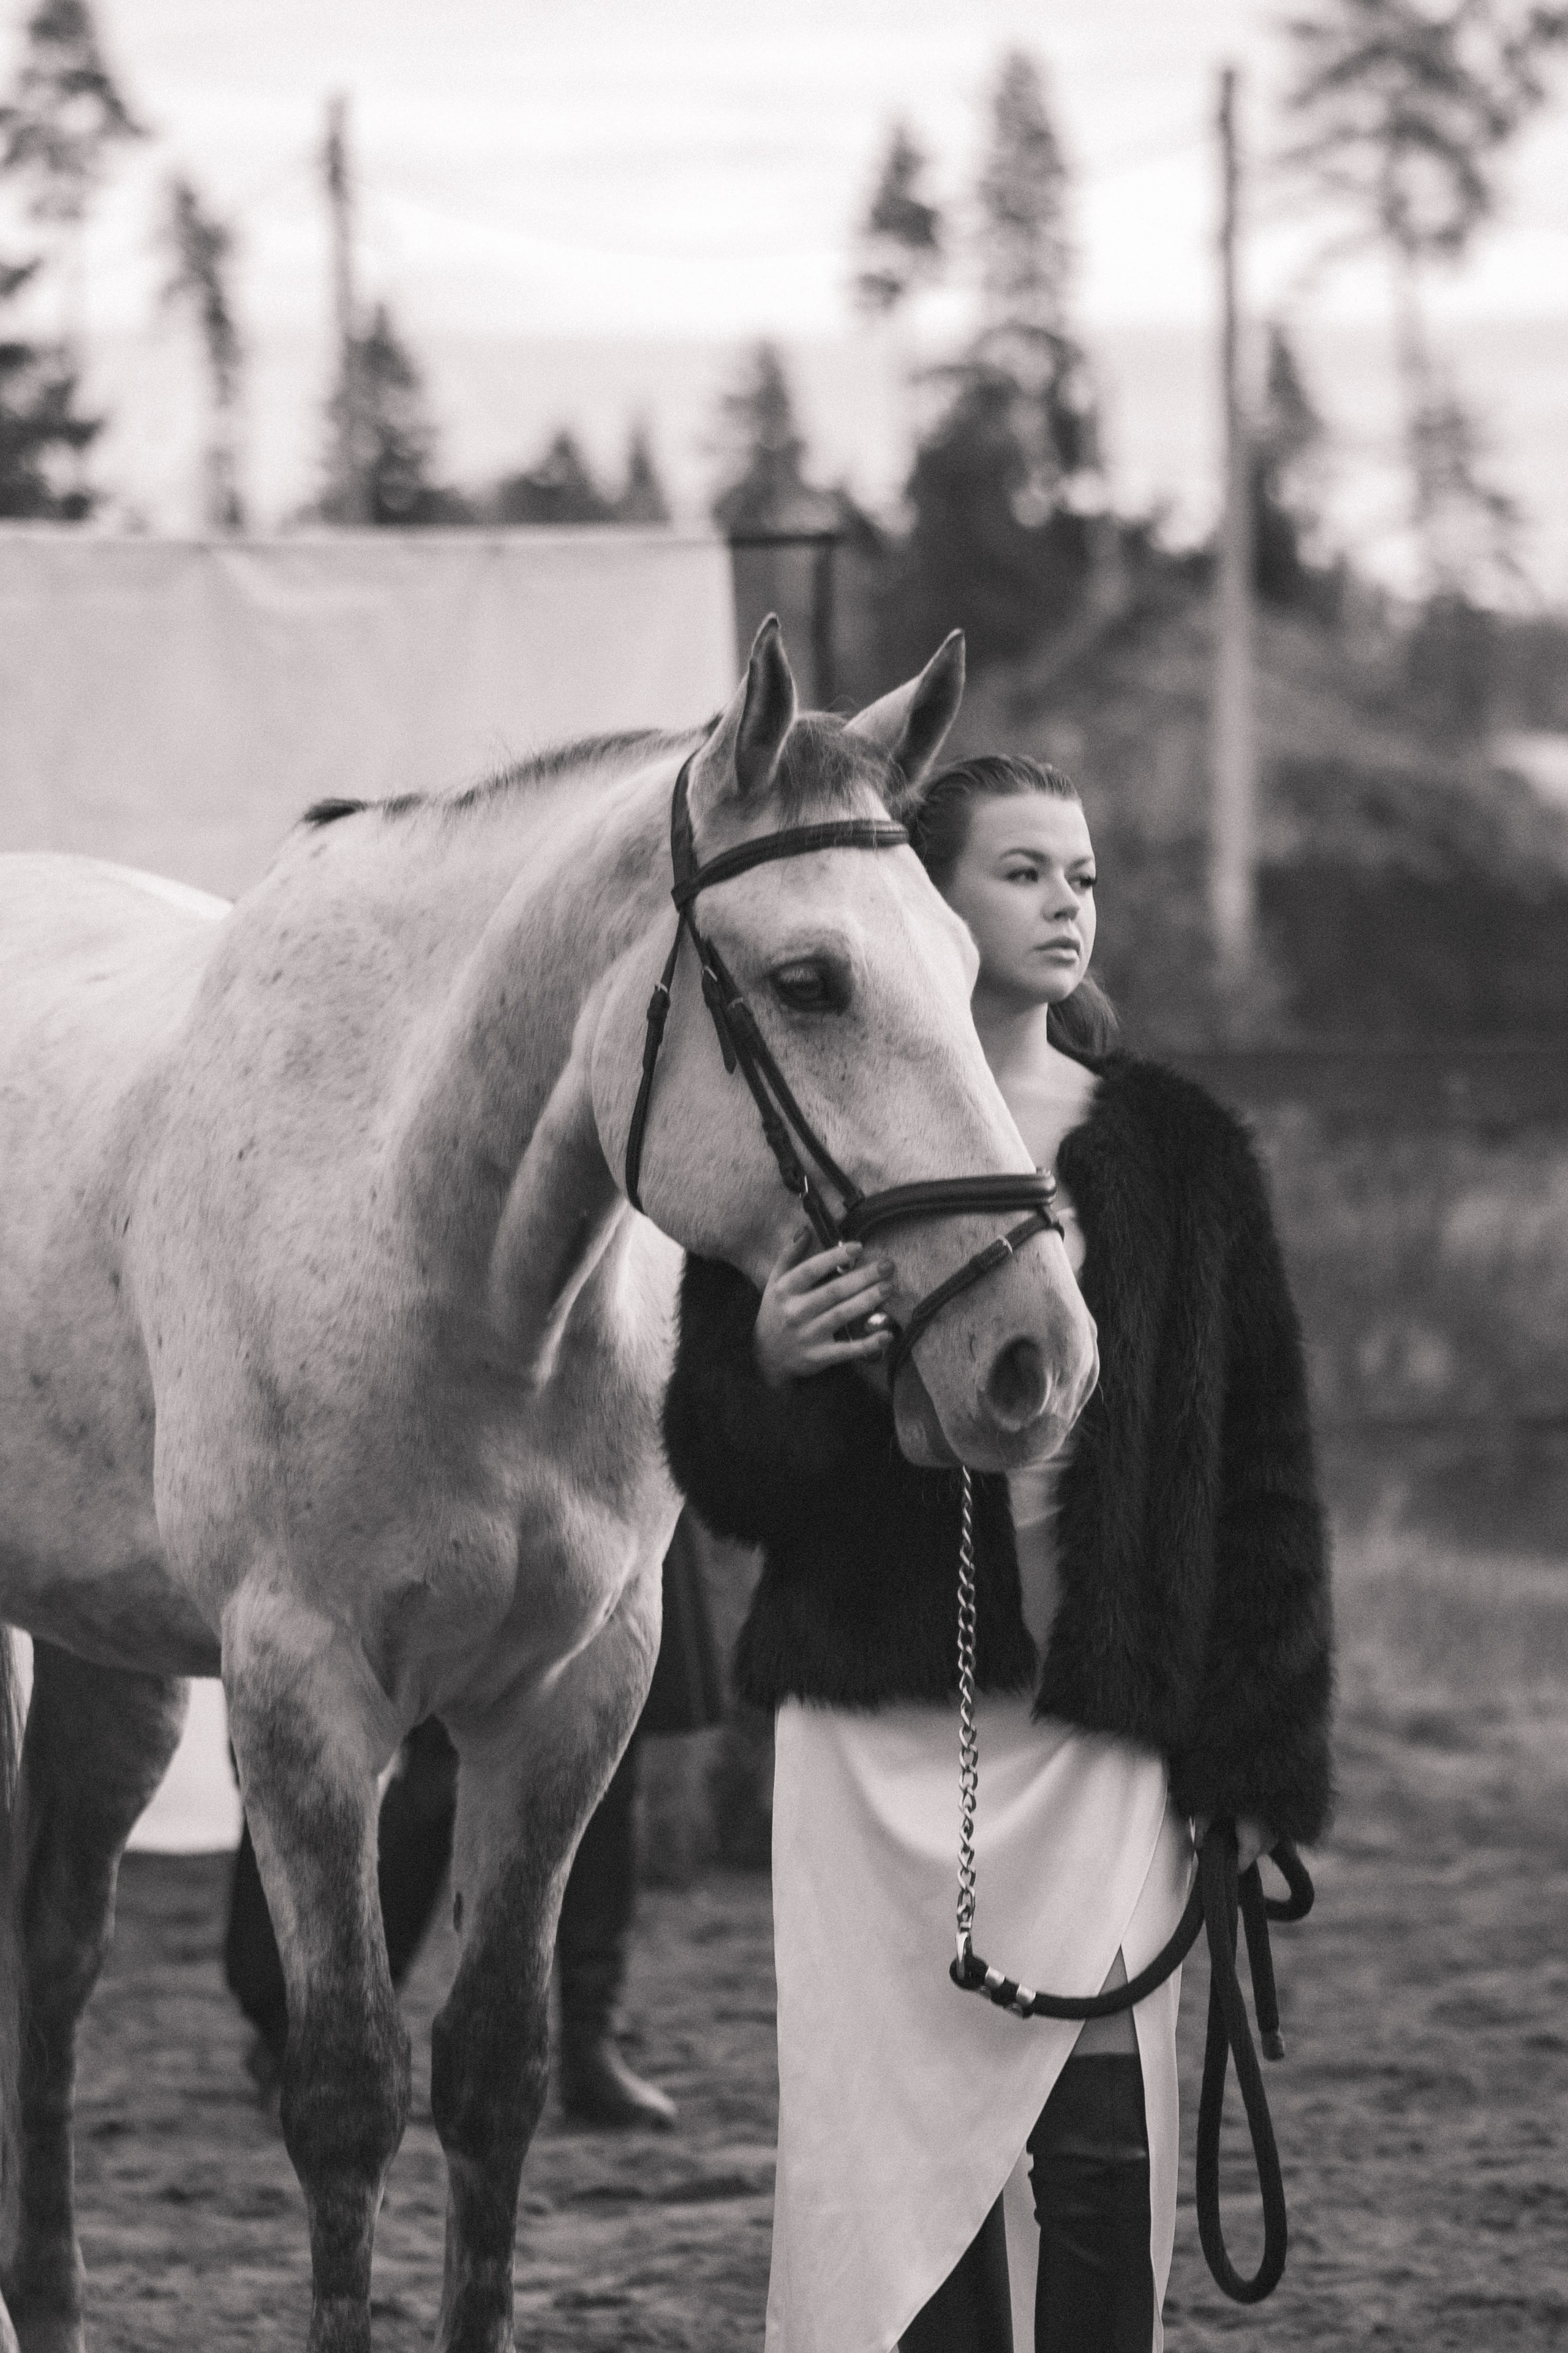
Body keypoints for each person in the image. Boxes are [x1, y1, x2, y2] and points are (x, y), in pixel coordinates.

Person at [662, 753, 1333, 2352]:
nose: (1067, 904)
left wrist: (1250, 1750)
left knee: (1099, 2157)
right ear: (930, 900)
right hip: (883, 1747)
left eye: (1082, 875)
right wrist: (771, 1365)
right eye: (1025, 870)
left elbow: (1261, 1476)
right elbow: (722, 1479)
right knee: (906, 2173)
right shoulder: (802, 1134)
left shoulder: (1175, 1152)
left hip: (1102, 1740)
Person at [225, 1516, 722, 2131]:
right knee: (443, 1762)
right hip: (477, 1486)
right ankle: (324, 2033)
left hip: (613, 1475)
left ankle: (591, 2041)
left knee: (606, 1742)